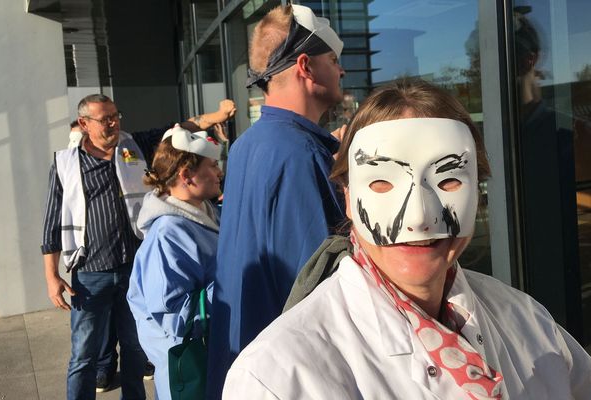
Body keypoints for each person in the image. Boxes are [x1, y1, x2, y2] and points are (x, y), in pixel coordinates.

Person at [222, 79, 591, 399]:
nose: (418, 216)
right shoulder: (276, 376)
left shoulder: (527, 321)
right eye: (382, 183)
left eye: (448, 181)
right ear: (348, 198)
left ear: (477, 192)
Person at [41, 94, 235, 400]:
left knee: (135, 350)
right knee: (84, 353)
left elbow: (182, 126)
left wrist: (218, 114)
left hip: (131, 263)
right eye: (105, 119)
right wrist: (52, 276)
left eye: (117, 116)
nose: (114, 123)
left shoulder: (133, 146)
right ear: (84, 124)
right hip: (91, 272)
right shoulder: (65, 163)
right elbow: (53, 220)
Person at [206, 4, 346, 397]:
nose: (342, 71)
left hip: (248, 367)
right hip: (287, 376)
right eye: (333, 60)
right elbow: (321, 290)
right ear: (305, 65)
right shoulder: (300, 155)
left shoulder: (249, 144)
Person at [127, 124, 222, 400]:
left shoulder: (205, 212)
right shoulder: (167, 235)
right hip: (190, 375)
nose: (219, 173)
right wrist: (236, 275)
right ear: (186, 175)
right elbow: (177, 320)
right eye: (213, 166)